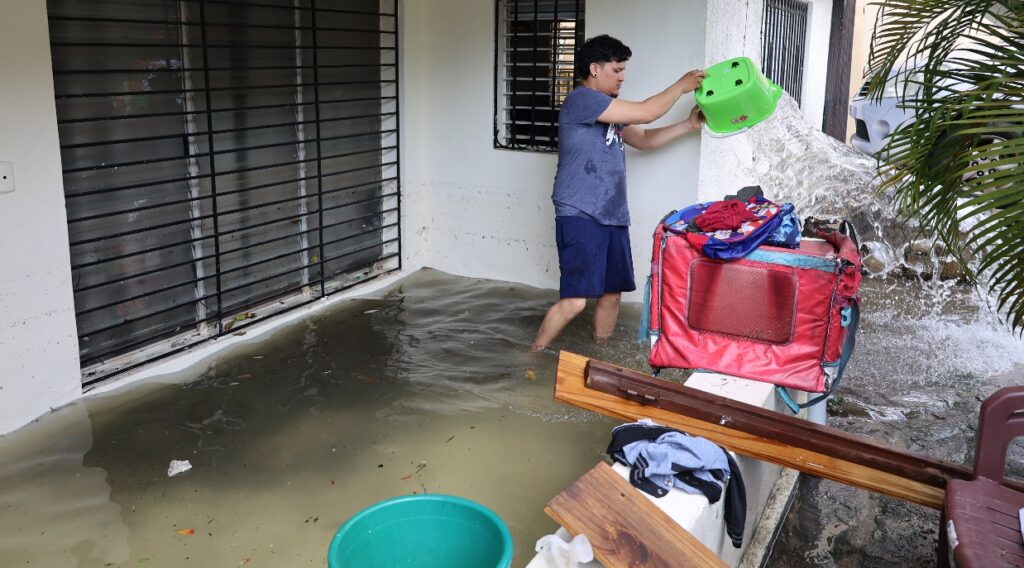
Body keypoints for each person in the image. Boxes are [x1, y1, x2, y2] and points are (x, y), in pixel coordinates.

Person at [531, 34, 706, 350]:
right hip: (580, 212)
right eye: (617, 69)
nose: (623, 76)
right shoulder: (582, 100)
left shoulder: (608, 111)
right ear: (594, 69)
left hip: (612, 214)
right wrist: (681, 85)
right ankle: (532, 354)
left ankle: (601, 354)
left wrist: (688, 125)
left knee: (612, 293)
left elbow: (645, 138)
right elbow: (646, 112)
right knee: (575, 301)